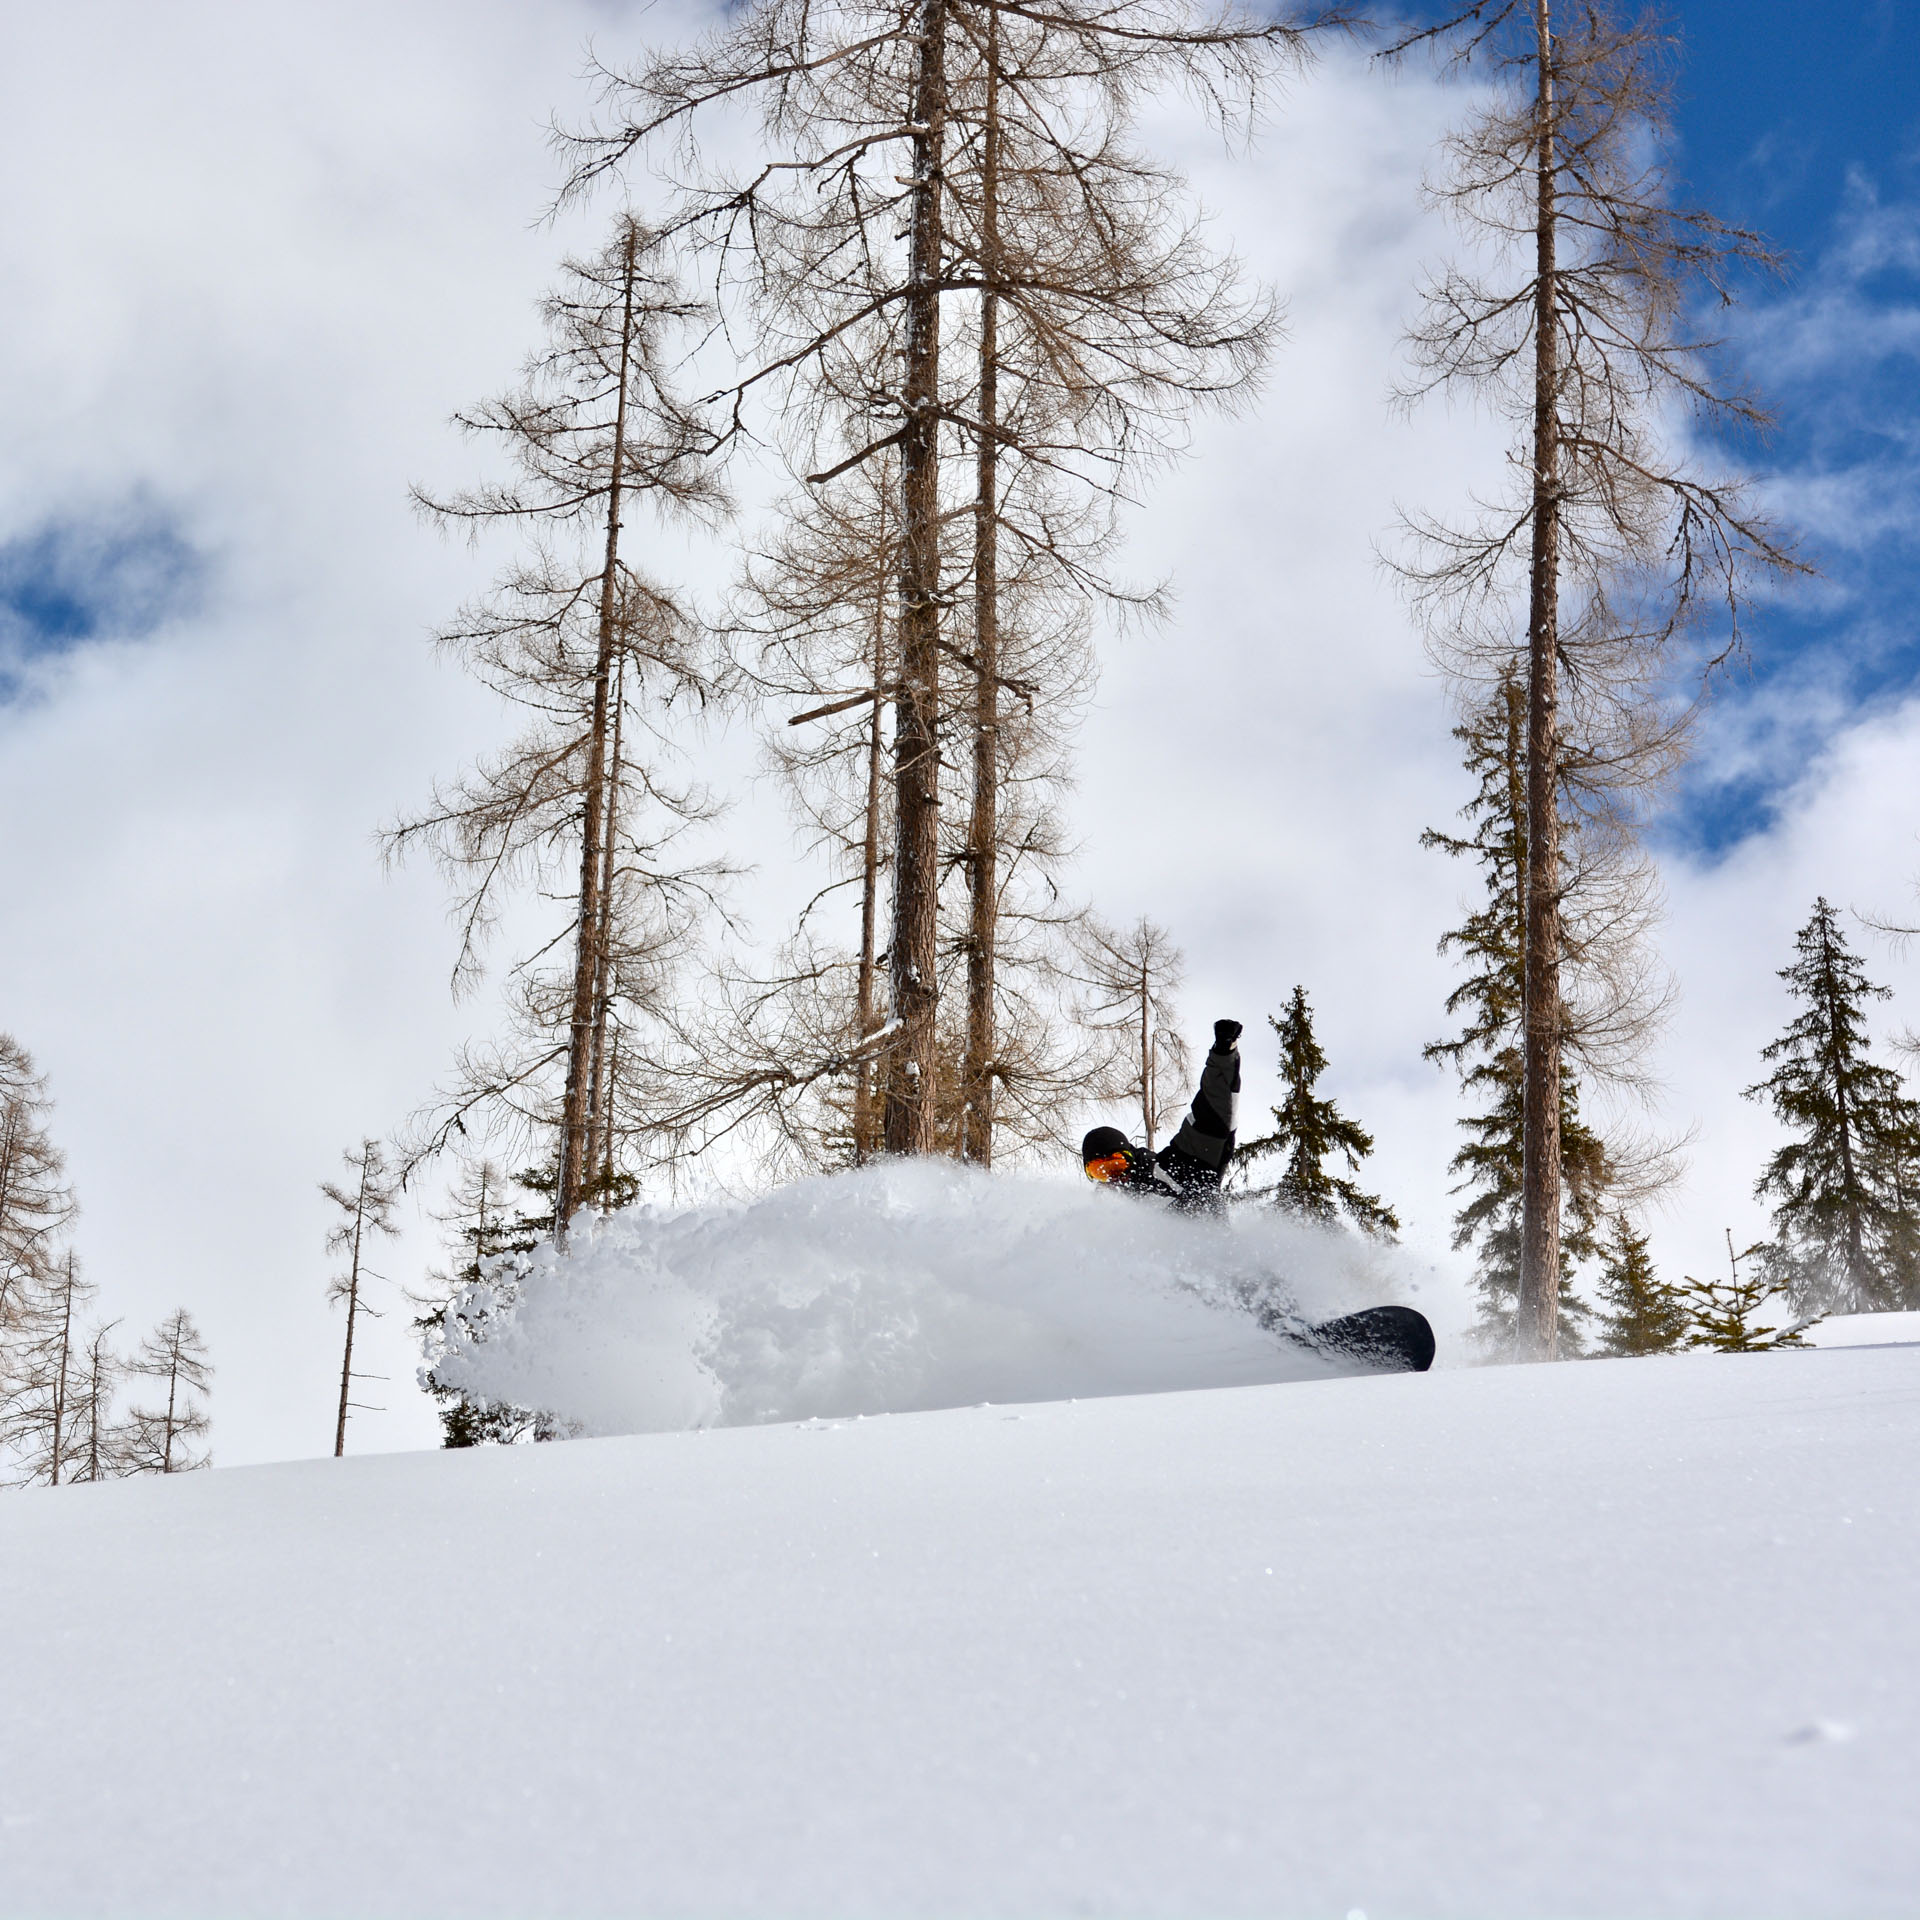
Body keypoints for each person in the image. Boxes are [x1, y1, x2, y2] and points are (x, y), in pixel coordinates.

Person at [1082, 1018, 1242, 1212]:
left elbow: (1212, 1120)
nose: (1113, 1179)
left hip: (1208, 1238)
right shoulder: (1104, 1213)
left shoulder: (1171, 1169)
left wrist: (1222, 1055)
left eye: (1116, 1165)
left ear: (1130, 1158)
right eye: (1100, 1173)